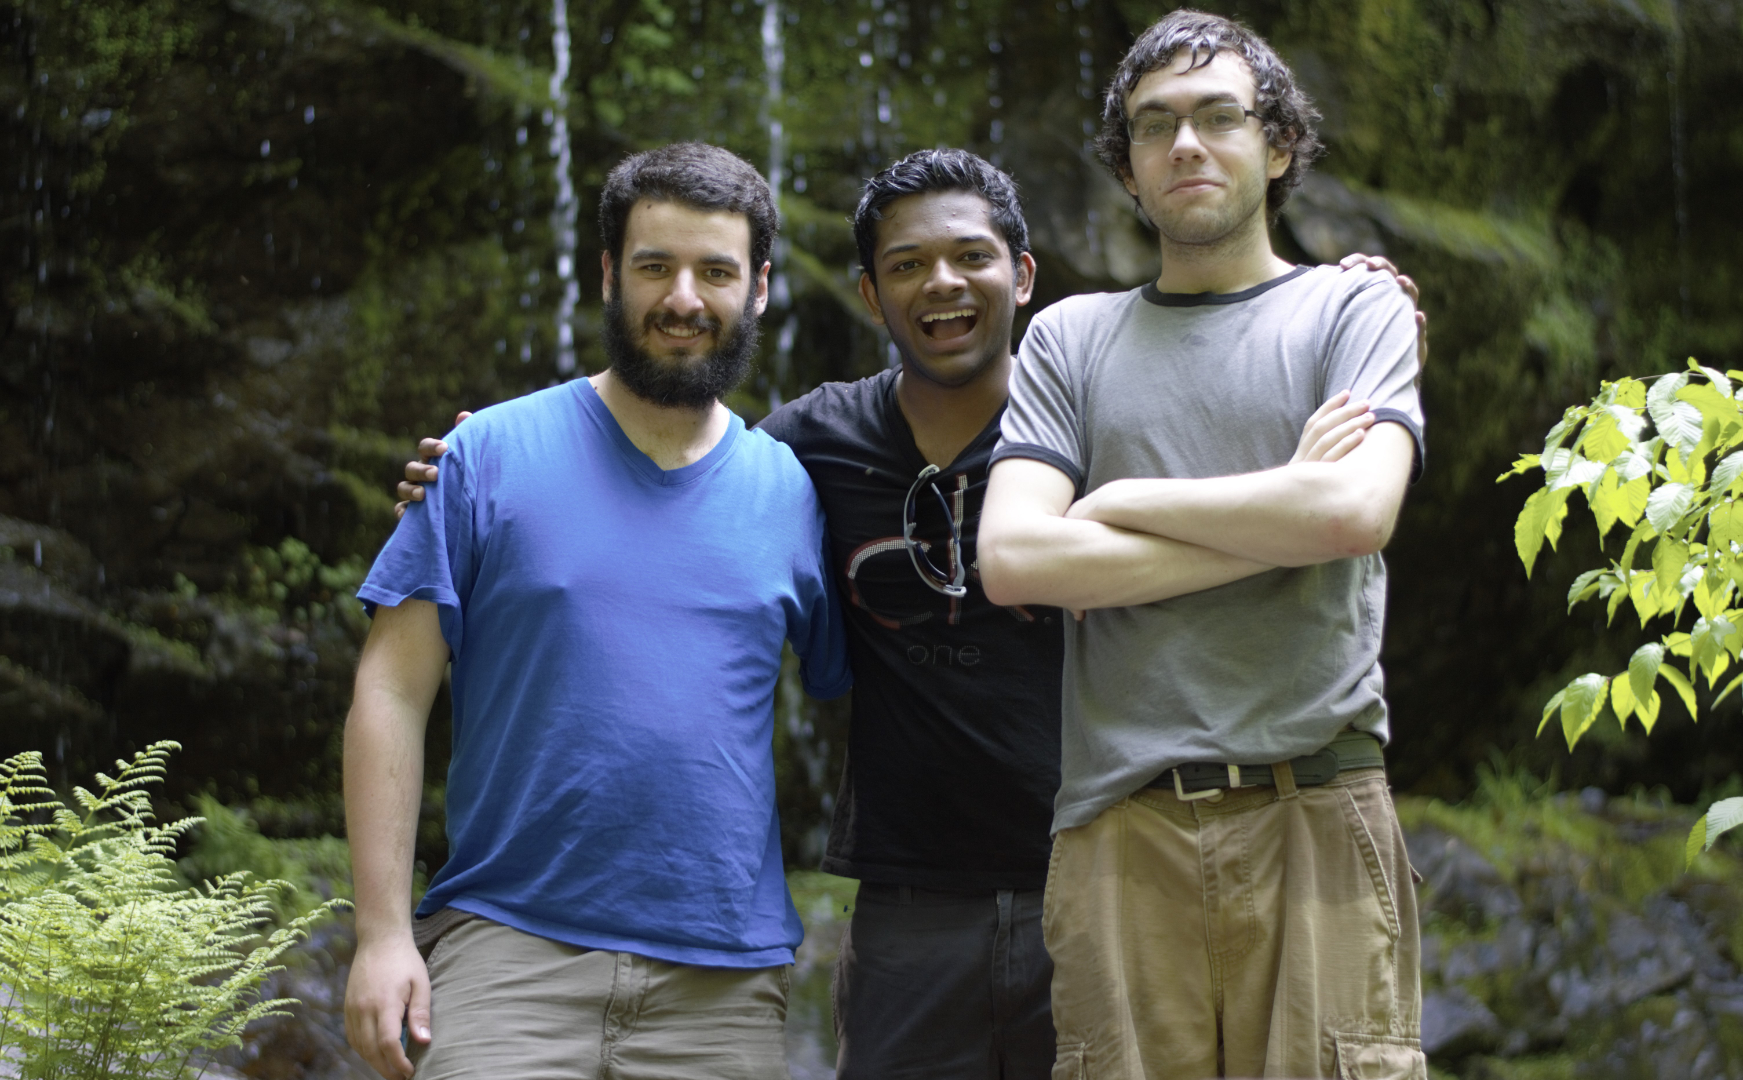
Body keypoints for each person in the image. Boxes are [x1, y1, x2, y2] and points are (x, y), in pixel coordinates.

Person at [397, 145, 1421, 1078]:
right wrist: (468, 468)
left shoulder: (1104, 415)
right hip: (911, 908)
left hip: (1104, 865)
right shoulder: (806, 446)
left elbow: (1243, 413)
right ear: (869, 295)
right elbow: (670, 467)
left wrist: (1349, 300)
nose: (941, 284)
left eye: (970, 258)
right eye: (906, 266)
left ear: (1022, 276)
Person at [977, 9, 1427, 1079]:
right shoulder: (1070, 337)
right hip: (1122, 830)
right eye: (1155, 125)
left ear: (1277, 148)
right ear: (1126, 169)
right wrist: (1288, 512)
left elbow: (1357, 514)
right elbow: (1015, 561)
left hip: (1314, 809)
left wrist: (1119, 499)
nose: (1186, 143)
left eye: (1220, 116)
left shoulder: (1350, 309)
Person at [342, 141, 851, 1080]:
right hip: (505, 951)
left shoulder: (795, 491)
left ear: (762, 288)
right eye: (655, 266)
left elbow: (875, 689)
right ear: (610, 274)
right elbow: (392, 689)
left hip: (723, 985)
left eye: (715, 272)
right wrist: (381, 937)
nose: (684, 299)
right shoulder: (485, 455)